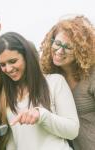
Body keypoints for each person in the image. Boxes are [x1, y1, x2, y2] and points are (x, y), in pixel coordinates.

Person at [0, 32, 79, 150]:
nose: (8, 69)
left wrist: (42, 115)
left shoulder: (55, 82)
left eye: (13, 61)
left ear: (27, 57)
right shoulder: (6, 95)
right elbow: (14, 140)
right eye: (2, 64)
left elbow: (72, 131)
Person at [40, 15, 95, 150]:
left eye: (68, 47)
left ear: (81, 51)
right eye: (57, 43)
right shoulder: (48, 76)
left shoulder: (92, 76)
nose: (59, 51)